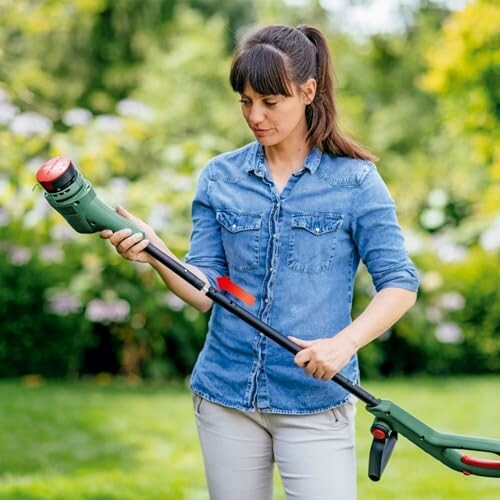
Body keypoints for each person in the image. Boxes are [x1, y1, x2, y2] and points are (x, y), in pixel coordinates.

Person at [100, 24, 419, 500]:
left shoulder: (356, 182)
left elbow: (399, 283)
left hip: (314, 399)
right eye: (246, 101)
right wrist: (155, 253)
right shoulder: (220, 177)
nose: (256, 115)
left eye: (271, 102)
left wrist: (342, 345)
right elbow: (209, 291)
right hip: (226, 393)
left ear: (308, 91)